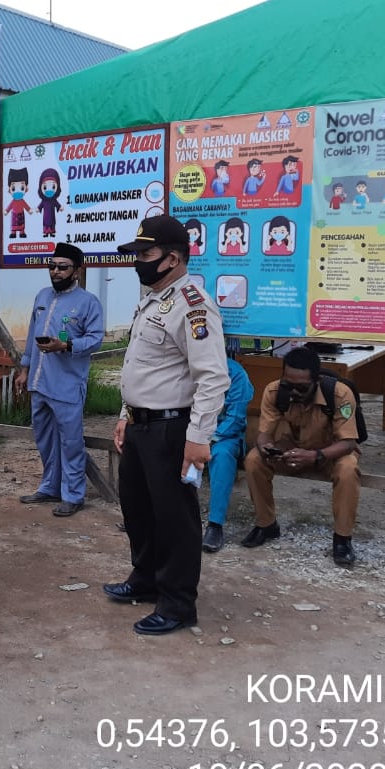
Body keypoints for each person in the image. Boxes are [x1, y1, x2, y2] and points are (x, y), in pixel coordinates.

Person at [104, 215, 229, 635]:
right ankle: (145, 580)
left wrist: (198, 440)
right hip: (141, 426)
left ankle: (177, 604)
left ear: (173, 257)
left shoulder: (192, 303)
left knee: (174, 516)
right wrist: (125, 416)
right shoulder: (154, 298)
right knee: (138, 510)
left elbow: (212, 377)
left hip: (173, 430)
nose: (138, 261)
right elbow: (141, 368)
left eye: (146, 254)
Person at [240, 347, 361, 566]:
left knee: (348, 468)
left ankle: (342, 539)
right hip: (291, 452)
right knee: (254, 459)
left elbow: (348, 442)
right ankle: (266, 524)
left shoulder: (340, 394)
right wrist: (268, 449)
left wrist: (316, 455)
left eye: (301, 387)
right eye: (289, 385)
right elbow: (263, 435)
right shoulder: (274, 391)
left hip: (329, 453)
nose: (294, 392)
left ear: (317, 380)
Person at [14, 243, 105, 517]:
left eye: (62, 267)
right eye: (52, 266)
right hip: (39, 383)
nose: (55, 271)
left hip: (66, 384)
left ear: (77, 270)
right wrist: (25, 369)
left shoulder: (88, 302)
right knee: (44, 439)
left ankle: (73, 495)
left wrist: (65, 346)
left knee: (70, 442)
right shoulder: (42, 296)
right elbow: (32, 335)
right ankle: (50, 487)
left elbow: (95, 338)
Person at [201, 355, 253, 553]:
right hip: (191, 432)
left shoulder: (236, 374)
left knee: (221, 456)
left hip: (224, 435)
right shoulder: (185, 367)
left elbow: (236, 418)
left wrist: (207, 441)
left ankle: (215, 525)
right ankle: (156, 513)